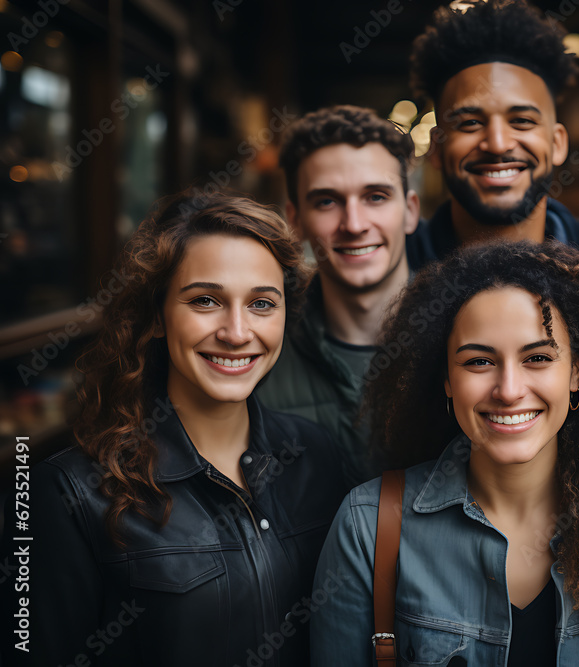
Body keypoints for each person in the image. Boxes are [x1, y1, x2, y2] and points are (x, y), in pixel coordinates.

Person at [310, 242, 579, 666]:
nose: (509, 390)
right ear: (446, 380)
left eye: (538, 358)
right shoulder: (368, 527)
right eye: (478, 362)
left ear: (575, 371)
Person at [19, 193, 346, 666]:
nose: (236, 331)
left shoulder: (315, 454)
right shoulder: (68, 493)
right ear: (156, 316)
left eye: (261, 303)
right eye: (205, 301)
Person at [255, 105, 420, 488]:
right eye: (327, 201)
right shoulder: (257, 351)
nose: (355, 224)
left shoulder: (465, 338)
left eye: (376, 197)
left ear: (410, 212)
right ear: (295, 221)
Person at [406, 0, 579, 270]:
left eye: (522, 121)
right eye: (470, 123)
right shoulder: (395, 268)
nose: (498, 145)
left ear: (558, 143)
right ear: (437, 149)